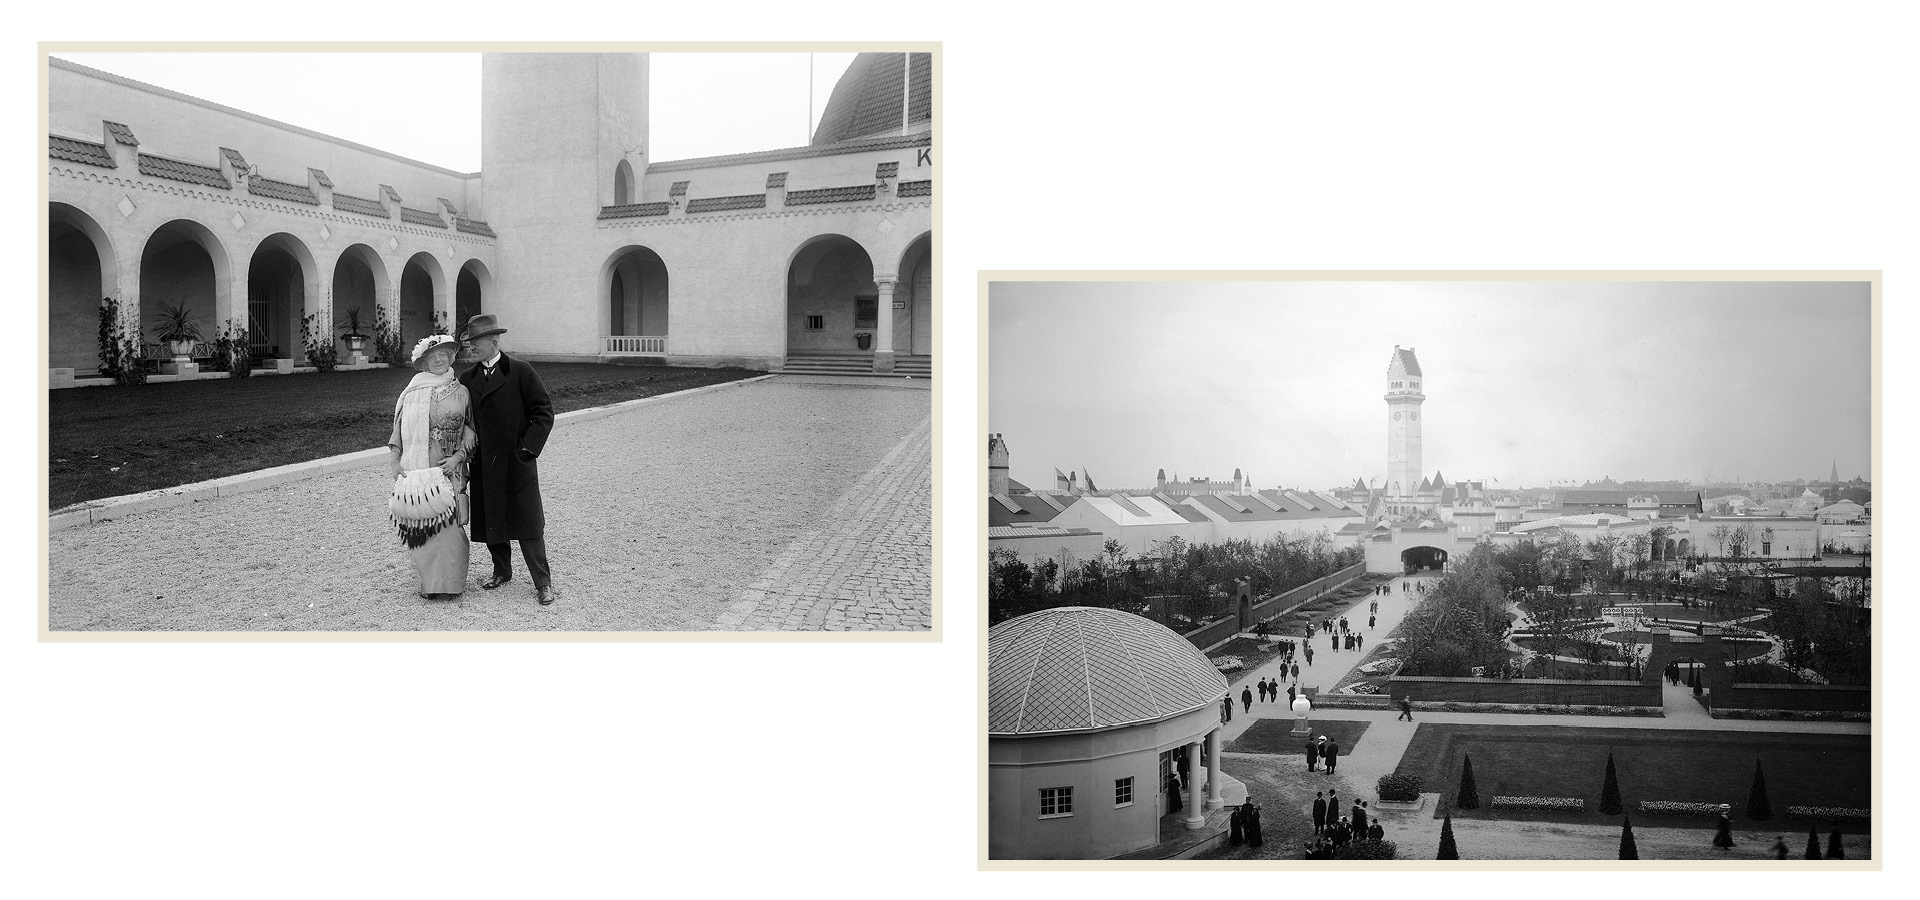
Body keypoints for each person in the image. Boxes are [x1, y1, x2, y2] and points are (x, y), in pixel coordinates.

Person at [458, 314, 558, 605]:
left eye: (476, 342)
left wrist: (527, 449)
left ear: (494, 341)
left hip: (516, 462)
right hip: (484, 464)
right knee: (492, 518)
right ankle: (502, 571)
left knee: (528, 522)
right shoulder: (467, 379)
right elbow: (463, 415)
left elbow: (543, 412)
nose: (471, 348)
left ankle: (543, 582)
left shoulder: (521, 371)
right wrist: (466, 428)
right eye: (469, 343)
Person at [387, 335, 476, 600]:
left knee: (451, 527)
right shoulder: (413, 392)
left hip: (450, 471)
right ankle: (430, 585)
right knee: (423, 527)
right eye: (433, 357)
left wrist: (458, 458)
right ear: (424, 362)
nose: (439, 360)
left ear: (451, 358)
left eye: (444, 355)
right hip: (418, 472)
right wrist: (394, 461)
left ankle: (451, 585)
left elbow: (471, 432)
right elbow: (398, 432)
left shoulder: (462, 392)